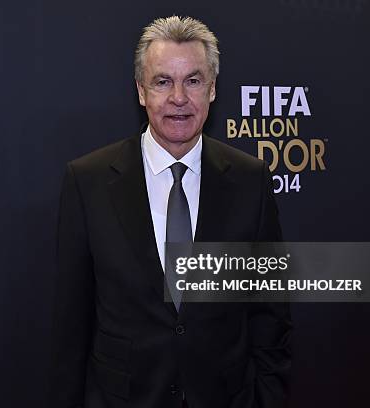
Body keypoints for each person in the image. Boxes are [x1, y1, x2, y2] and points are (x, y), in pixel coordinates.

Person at [49, 15, 291, 408]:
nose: (179, 97)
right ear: (141, 91)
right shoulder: (87, 180)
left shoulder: (251, 180)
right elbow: (70, 326)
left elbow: (270, 313)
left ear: (212, 90)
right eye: (163, 82)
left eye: (193, 81)